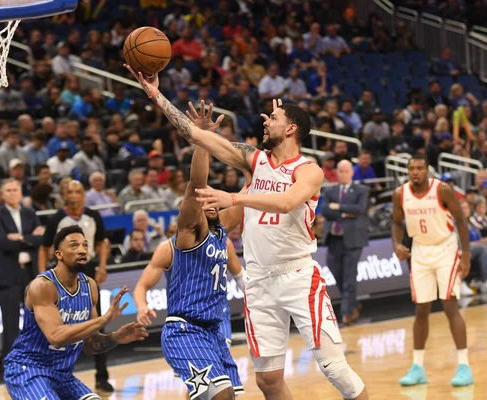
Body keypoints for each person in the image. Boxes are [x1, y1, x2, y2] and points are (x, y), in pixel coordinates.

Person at [125, 64, 367, 400]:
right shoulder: (254, 160)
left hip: (298, 274)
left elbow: (285, 202)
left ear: (292, 128)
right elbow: (196, 136)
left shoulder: (309, 170)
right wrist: (154, 93)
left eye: (274, 117)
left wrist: (234, 197)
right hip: (259, 282)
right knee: (267, 381)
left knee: (335, 369)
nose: (265, 120)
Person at [132, 102, 247, 400]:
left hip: (213, 329)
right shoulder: (187, 234)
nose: (208, 200)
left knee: (224, 396)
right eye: (203, 198)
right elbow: (197, 182)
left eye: (213, 198)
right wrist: (202, 139)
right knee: (219, 395)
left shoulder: (222, 228)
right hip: (185, 328)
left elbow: (251, 192)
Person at [4, 225, 148, 399]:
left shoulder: (90, 286)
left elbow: (90, 344)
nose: (82, 250)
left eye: (85, 245)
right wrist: (103, 320)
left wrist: (115, 337)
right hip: (28, 370)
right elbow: (56, 337)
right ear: (59, 254)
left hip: (62, 375)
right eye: (74, 245)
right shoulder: (43, 286)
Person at [392, 155, 474, 387]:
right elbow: (397, 223)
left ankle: (464, 365)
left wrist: (465, 254)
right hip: (419, 251)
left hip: (445, 248)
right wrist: (397, 244)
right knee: (421, 310)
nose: (415, 172)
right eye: (411, 168)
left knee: (450, 305)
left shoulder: (443, 190)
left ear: (428, 170)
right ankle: (417, 367)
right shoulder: (400, 194)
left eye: (419, 168)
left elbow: (461, 221)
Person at [38, 180, 113, 392]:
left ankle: (102, 376)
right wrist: (43, 275)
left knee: (96, 323)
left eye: (77, 191)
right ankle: (52, 377)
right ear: (64, 195)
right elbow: (44, 248)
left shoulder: (92, 215)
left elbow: (102, 242)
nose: (74, 195)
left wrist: (103, 266)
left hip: (88, 272)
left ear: (83, 195)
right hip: (62, 276)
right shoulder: (57, 219)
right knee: (58, 328)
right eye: (69, 192)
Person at [0, 179, 45, 361]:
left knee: (36, 320)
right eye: (8, 190)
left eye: (15, 190)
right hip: (8, 275)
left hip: (30, 273)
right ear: (2, 194)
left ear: (21, 193)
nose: (12, 193)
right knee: (10, 323)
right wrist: (29, 238)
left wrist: (19, 238)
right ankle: (11, 365)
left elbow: (41, 240)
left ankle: (36, 361)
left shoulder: (30, 213)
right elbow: (2, 242)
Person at [321, 159, 369, 324]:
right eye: (340, 171)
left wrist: (338, 207)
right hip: (334, 239)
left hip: (353, 240)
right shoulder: (330, 191)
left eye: (346, 171)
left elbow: (360, 209)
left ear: (351, 172)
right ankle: (353, 304)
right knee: (336, 273)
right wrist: (345, 213)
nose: (343, 174)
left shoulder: (361, 190)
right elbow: (325, 210)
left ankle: (346, 313)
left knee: (349, 276)